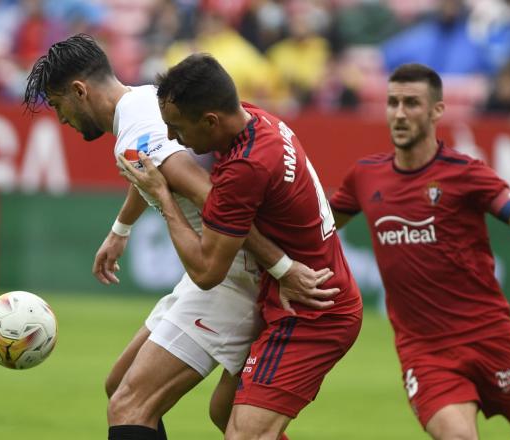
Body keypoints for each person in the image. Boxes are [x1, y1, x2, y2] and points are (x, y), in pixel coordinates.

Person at [22, 34, 338, 439]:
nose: (61, 118)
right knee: (123, 387)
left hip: (231, 275)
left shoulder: (137, 132)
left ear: (80, 91)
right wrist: (121, 229)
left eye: (58, 104)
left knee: (130, 405)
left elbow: (210, 197)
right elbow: (150, 172)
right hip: (220, 272)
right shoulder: (143, 100)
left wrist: (279, 265)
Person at [119, 53, 363, 439]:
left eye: (177, 128)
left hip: (312, 315)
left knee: (244, 434)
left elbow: (206, 271)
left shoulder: (245, 168)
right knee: (223, 412)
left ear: (210, 121)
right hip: (297, 294)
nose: (171, 139)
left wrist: (163, 199)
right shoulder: (256, 120)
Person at [328, 63, 510, 439]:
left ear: (437, 110)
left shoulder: (466, 173)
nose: (399, 113)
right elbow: (316, 228)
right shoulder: (365, 176)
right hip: (426, 352)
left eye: (411, 103)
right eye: (393, 103)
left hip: (492, 337)